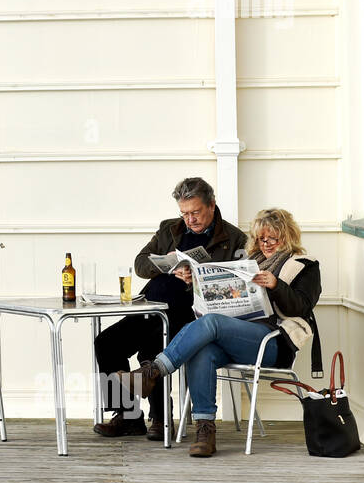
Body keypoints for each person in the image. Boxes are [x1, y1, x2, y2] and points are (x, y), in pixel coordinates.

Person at [119, 208, 322, 457]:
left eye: (273, 238)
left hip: (273, 342)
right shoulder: (247, 264)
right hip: (237, 334)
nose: (266, 244)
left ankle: (152, 371)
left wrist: (276, 285)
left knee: (212, 324)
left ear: (287, 236)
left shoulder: (304, 266)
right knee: (203, 348)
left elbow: (302, 307)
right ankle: (205, 430)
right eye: (261, 238)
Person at [93, 177, 247, 441]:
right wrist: (169, 266)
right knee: (107, 342)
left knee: (154, 348)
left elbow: (237, 285)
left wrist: (196, 280)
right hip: (151, 310)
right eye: (184, 213)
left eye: (195, 212)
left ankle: (161, 417)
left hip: (191, 317)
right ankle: (127, 416)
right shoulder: (169, 230)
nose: (190, 219)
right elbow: (141, 264)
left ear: (211, 205)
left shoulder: (233, 239)